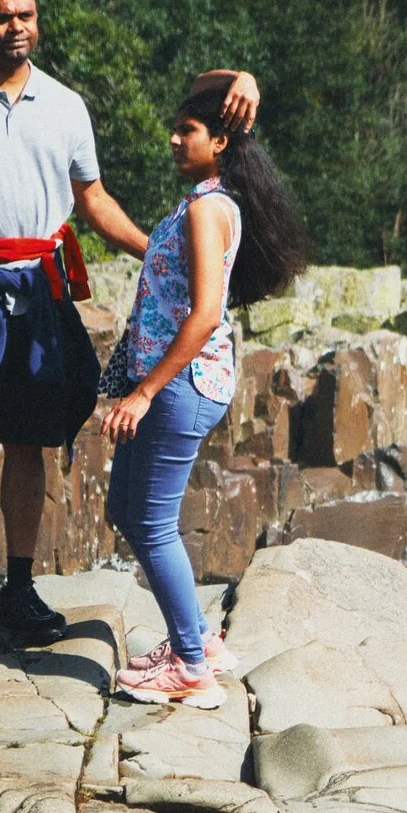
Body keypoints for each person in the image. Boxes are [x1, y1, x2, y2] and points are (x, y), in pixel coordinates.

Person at [0, 0, 259, 654]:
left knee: (30, 441)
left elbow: (91, 201)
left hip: (42, 292)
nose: (17, 27)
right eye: (3, 17)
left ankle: (20, 587)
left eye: (27, 15)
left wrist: (159, 253)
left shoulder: (64, 105)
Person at [100, 79, 312, 708]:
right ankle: (198, 638)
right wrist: (240, 82)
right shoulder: (207, 202)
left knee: (151, 521)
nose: (173, 137)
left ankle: (191, 666)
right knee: (124, 508)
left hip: (182, 384)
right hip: (176, 382)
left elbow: (204, 315)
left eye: (187, 130)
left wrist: (143, 394)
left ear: (220, 142)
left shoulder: (206, 208)